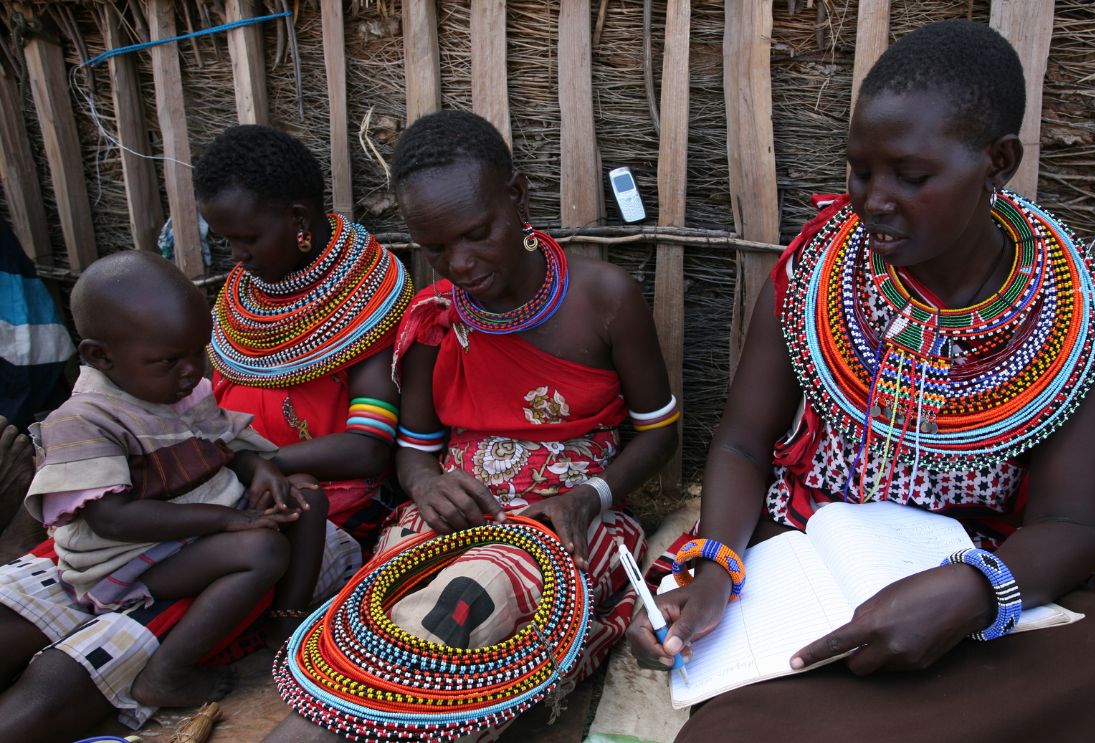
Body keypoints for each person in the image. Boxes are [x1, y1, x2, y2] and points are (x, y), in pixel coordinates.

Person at [628, 20, 1095, 742]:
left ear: (998, 163)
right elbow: (743, 445)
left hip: (980, 576)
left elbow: (1073, 524)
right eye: (859, 170)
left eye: (910, 177)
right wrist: (718, 566)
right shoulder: (815, 274)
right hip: (808, 561)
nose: (873, 200)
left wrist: (974, 590)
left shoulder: (1069, 314)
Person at [264, 110, 678, 742]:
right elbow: (415, 450)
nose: (458, 264)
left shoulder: (603, 298)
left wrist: (589, 495)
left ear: (518, 197)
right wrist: (427, 486)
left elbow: (660, 433)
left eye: (477, 234)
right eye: (434, 249)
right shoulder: (433, 320)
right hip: (452, 515)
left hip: (567, 519)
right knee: (373, 618)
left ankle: (347, 726)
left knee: (470, 601)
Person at [0, 252, 328, 738]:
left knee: (307, 498)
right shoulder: (83, 420)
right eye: (170, 360)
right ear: (101, 357)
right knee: (262, 551)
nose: (192, 370)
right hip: (128, 558)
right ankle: (167, 673)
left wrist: (259, 468)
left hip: (191, 525)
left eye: (198, 352)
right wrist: (225, 521)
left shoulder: (178, 388)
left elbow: (222, 448)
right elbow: (114, 521)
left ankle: (286, 620)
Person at [195, 124, 413, 551]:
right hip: (231, 486)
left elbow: (368, 447)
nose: (236, 256)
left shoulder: (369, 299)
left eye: (248, 239)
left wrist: (249, 462)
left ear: (298, 219)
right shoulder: (241, 298)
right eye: (227, 240)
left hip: (328, 503)